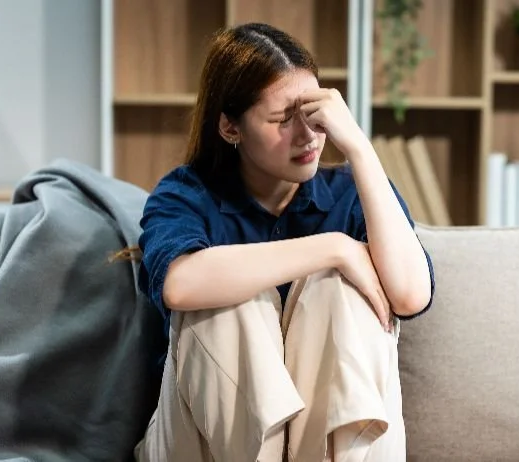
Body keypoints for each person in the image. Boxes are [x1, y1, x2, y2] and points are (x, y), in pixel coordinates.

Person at [133, 22, 435, 462]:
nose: (308, 135)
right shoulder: (187, 194)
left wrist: (358, 146)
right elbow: (180, 285)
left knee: (337, 289)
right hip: (199, 446)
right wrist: (335, 248)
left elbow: (410, 294)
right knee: (227, 301)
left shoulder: (353, 193)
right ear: (230, 127)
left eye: (315, 114)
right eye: (282, 120)